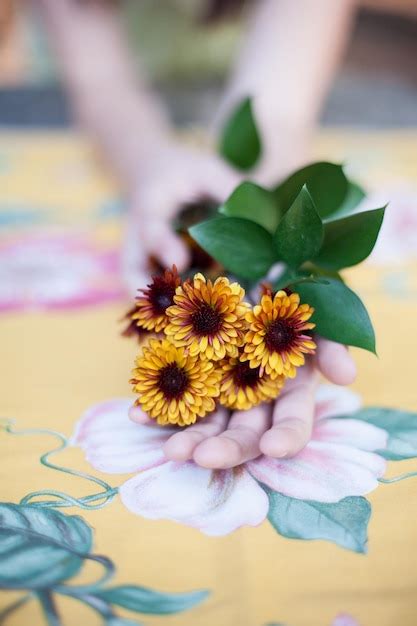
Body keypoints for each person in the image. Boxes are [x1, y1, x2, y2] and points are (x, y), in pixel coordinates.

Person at [35, 0, 358, 470]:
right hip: (113, 110)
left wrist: (252, 208)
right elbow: (102, 86)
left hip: (246, 75)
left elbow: (276, 112)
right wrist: (151, 168)